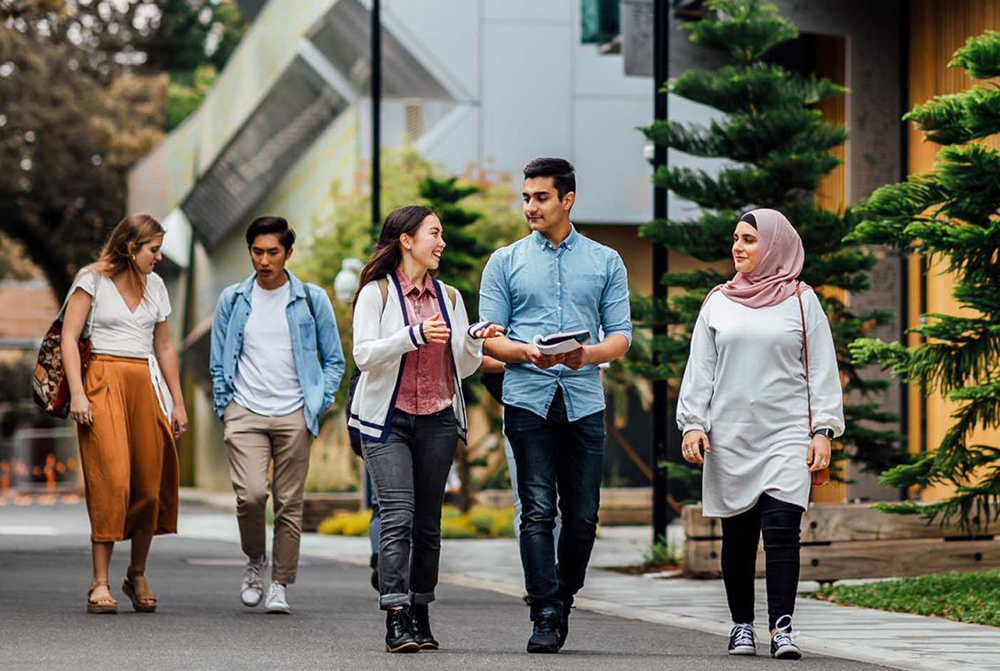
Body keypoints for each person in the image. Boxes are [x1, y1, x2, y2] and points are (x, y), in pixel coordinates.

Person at [676, 209, 845, 660]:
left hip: (787, 433)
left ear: (773, 245)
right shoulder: (718, 302)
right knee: (738, 536)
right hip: (730, 436)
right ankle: (741, 626)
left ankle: (782, 628)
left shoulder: (802, 300)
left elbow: (822, 369)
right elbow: (700, 371)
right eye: (736, 238)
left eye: (749, 239)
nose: (738, 247)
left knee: (783, 531)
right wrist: (693, 423)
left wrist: (823, 430)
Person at [479, 157, 631, 653]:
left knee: (583, 516)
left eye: (540, 197)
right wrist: (527, 352)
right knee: (538, 509)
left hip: (584, 398)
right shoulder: (504, 262)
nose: (530, 206)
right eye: (526, 197)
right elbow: (489, 338)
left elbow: (621, 336)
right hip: (527, 398)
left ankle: (563, 595)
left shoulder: (606, 261)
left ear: (567, 199)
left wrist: (586, 355)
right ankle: (545, 609)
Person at [349, 205, 502, 653]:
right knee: (397, 516)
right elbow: (363, 354)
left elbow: (464, 367)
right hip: (388, 422)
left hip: (438, 420)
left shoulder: (450, 298)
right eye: (434, 234)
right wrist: (412, 335)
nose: (441, 243)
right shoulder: (376, 294)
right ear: (407, 240)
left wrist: (472, 339)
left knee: (428, 525)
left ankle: (420, 609)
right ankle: (396, 615)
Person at [210, 216, 345, 615]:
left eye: (273, 252)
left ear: (288, 253)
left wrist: (318, 401)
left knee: (289, 502)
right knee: (250, 496)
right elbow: (218, 361)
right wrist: (226, 407)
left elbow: (334, 359)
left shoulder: (312, 299)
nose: (264, 260)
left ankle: (280, 584)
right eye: (257, 252)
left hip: (294, 412)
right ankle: (255, 561)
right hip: (245, 410)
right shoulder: (233, 299)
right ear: (249, 251)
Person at [61, 213, 186, 614]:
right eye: (153, 249)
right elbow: (68, 337)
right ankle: (99, 582)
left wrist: (177, 401)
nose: (159, 257)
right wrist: (78, 394)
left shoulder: (156, 286)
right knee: (111, 481)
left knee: (148, 486)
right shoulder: (92, 279)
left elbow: (164, 347)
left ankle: (137, 573)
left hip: (144, 384)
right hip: (102, 382)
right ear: (131, 248)